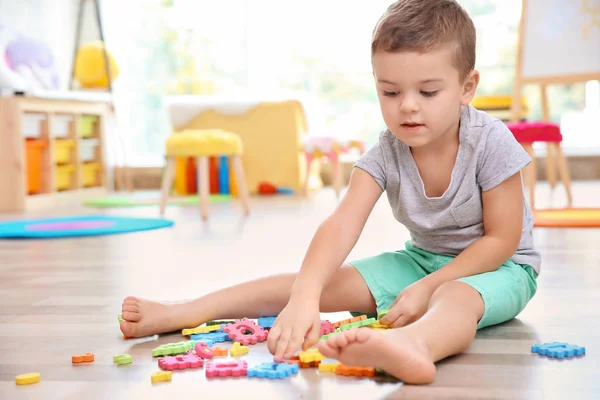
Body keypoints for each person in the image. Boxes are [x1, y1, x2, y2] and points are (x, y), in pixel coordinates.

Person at [119, 0, 540, 384]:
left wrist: (428, 288)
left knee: (454, 296)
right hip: (421, 262)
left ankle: (416, 346)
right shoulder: (387, 151)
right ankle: (190, 308)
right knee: (318, 279)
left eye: (428, 92)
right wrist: (306, 296)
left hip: (499, 269)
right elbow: (341, 224)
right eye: (390, 92)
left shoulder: (491, 141)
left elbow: (501, 241)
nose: (407, 106)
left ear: (467, 87)